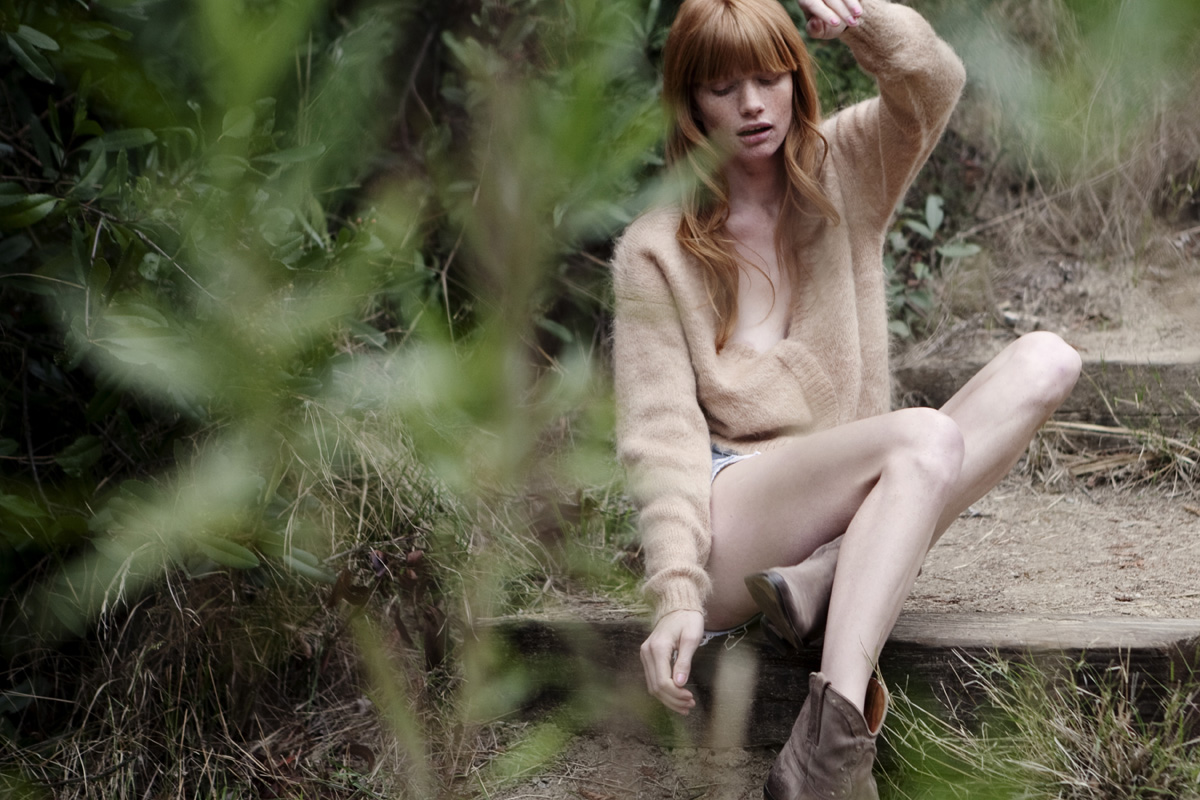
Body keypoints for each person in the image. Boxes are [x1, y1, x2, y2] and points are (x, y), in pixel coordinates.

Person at [610, 0, 1082, 797]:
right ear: (690, 102)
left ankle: (824, 579)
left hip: (850, 488)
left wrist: (864, 18)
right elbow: (660, 436)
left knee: (1048, 359)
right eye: (724, 87)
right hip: (733, 518)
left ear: (798, 78)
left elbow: (935, 82)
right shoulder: (656, 250)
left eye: (769, 78)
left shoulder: (845, 169)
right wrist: (677, 592)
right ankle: (831, 757)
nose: (752, 105)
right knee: (925, 439)